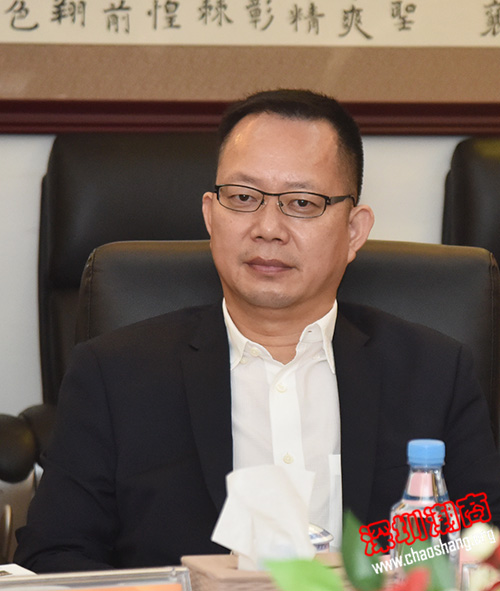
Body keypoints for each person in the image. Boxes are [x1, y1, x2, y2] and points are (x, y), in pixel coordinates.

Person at [15, 89, 500, 572]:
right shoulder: (113, 375)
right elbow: (54, 559)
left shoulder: (435, 373)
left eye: (302, 203)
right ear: (211, 215)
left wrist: (376, 565)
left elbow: (485, 543)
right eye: (244, 198)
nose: (268, 228)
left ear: (354, 231)